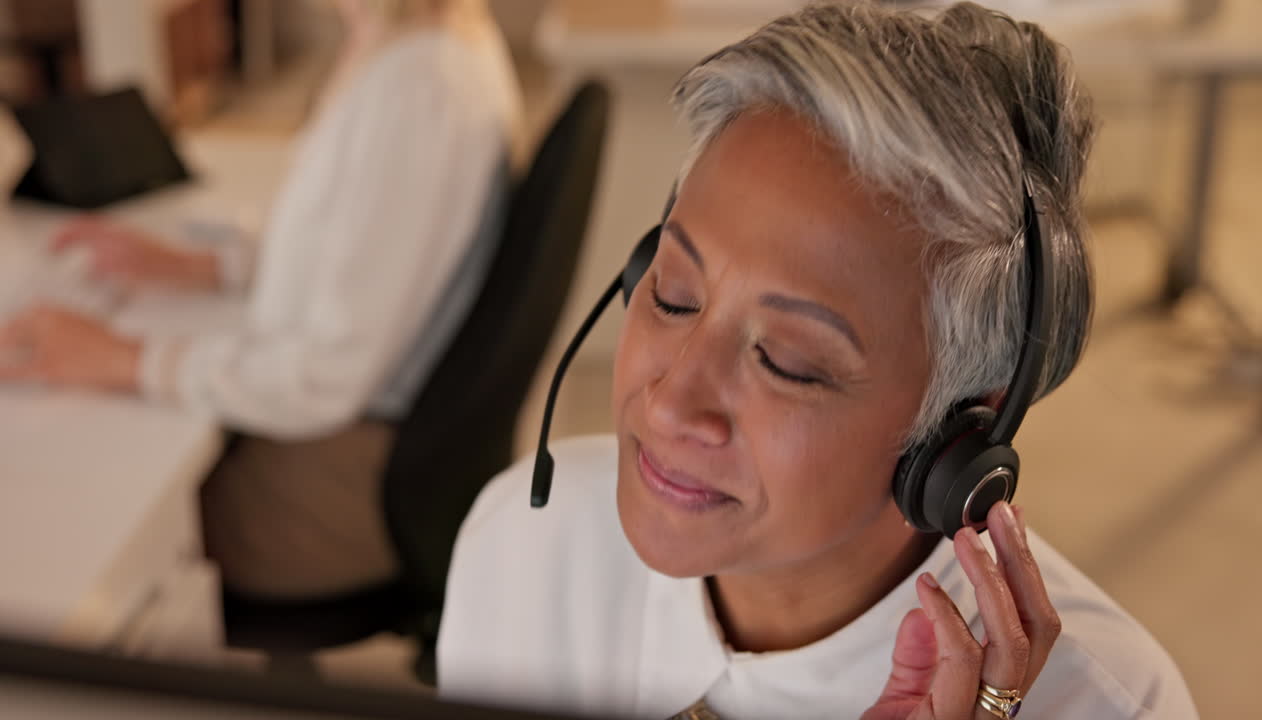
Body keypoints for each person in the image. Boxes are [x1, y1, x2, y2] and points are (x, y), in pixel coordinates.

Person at [435, 3, 1198, 719]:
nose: (668, 404)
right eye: (671, 295)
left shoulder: (1111, 702)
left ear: (958, 432)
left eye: (787, 362)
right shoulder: (523, 545)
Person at [0, 0, 522, 599]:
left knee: (72, 518)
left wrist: (124, 358)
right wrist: (202, 267)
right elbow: (353, 243)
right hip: (359, 436)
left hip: (346, 475)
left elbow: (325, 374)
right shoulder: (410, 45)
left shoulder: (420, 88)